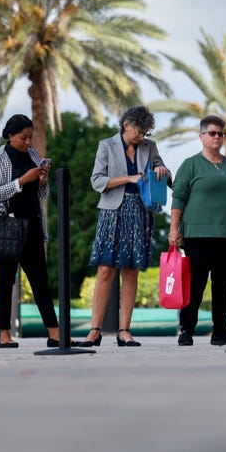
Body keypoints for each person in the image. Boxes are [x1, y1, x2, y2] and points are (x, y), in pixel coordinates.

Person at [83, 105, 170, 348]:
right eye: (138, 132)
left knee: (131, 270)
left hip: (141, 212)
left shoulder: (149, 147)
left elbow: (165, 174)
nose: (141, 137)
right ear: (126, 125)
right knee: (105, 269)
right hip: (113, 211)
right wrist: (129, 178)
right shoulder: (106, 146)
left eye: (145, 133)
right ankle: (94, 331)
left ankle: (124, 331)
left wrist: (162, 170)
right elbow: (96, 180)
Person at [0, 114, 69, 348]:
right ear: (11, 136)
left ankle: (54, 333)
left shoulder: (33, 155)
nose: (28, 142)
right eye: (23, 138)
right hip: (8, 224)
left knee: (40, 280)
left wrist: (42, 181)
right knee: (6, 280)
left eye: (30, 137)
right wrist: (23, 180)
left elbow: (42, 195)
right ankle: (3, 334)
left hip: (32, 223)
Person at [168, 115, 226, 346]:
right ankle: (186, 330)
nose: (217, 137)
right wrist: (174, 229)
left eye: (220, 133)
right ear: (201, 136)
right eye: (212, 133)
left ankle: (220, 332)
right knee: (196, 284)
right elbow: (179, 198)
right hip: (198, 235)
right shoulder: (191, 164)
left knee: (223, 286)